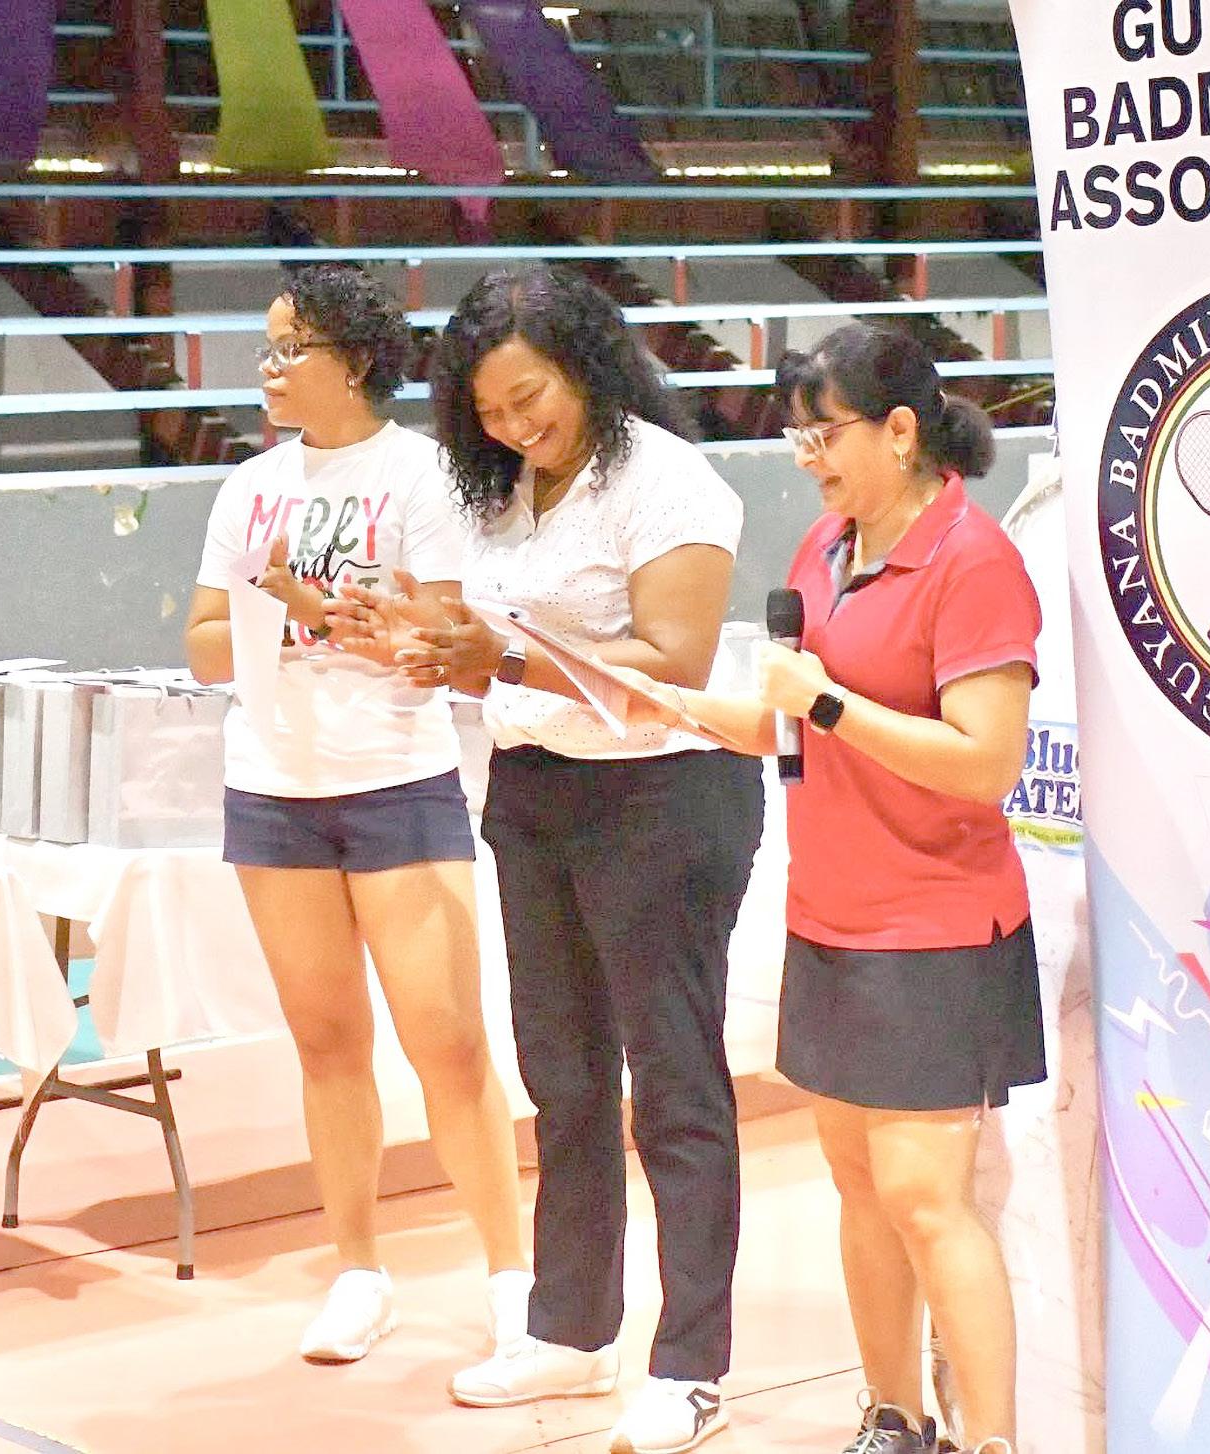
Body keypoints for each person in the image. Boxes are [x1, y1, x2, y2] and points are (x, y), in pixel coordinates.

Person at [350, 265, 764, 1454]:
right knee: (565, 1076)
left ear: (585, 363)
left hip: (663, 793)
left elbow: (675, 662)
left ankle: (691, 1363)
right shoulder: (499, 491)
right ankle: (573, 1328)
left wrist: (502, 657)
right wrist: (427, 644)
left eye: (528, 396)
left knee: (673, 1082)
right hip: (536, 790)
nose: (513, 424)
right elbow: (495, 643)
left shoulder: (668, 480)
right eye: (487, 410)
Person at [614, 324, 1044, 1454]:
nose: (806, 456)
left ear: (900, 430)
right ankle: (894, 1416)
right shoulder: (828, 545)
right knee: (858, 1189)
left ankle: (993, 1440)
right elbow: (788, 719)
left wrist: (827, 706)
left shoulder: (974, 560)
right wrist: (671, 706)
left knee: (926, 1200)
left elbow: (985, 761)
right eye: (796, 434)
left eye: (824, 433)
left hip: (937, 920)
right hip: (832, 912)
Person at [182, 264, 529, 1365]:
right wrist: (296, 622)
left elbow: (438, 635)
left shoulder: (421, 476)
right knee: (327, 1042)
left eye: (292, 348)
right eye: (267, 346)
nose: (269, 367)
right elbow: (203, 642)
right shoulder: (248, 489)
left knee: (450, 1042)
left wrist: (317, 612)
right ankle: (358, 1271)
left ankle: (514, 1277)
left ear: (357, 360)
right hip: (273, 789)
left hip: (396, 781)